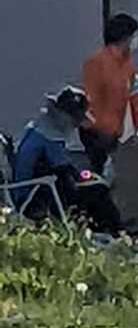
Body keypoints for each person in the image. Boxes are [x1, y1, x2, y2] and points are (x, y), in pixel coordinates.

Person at [14, 87, 124, 235]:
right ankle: (113, 233)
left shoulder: (38, 129)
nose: (76, 125)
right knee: (98, 191)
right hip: (35, 196)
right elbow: (63, 173)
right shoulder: (49, 138)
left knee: (91, 185)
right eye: (75, 119)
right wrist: (86, 179)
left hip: (32, 189)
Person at [81, 14, 138, 173]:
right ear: (125, 38)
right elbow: (89, 99)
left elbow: (136, 98)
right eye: (134, 36)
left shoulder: (127, 66)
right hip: (96, 134)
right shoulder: (97, 63)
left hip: (114, 135)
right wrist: (96, 127)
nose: (136, 41)